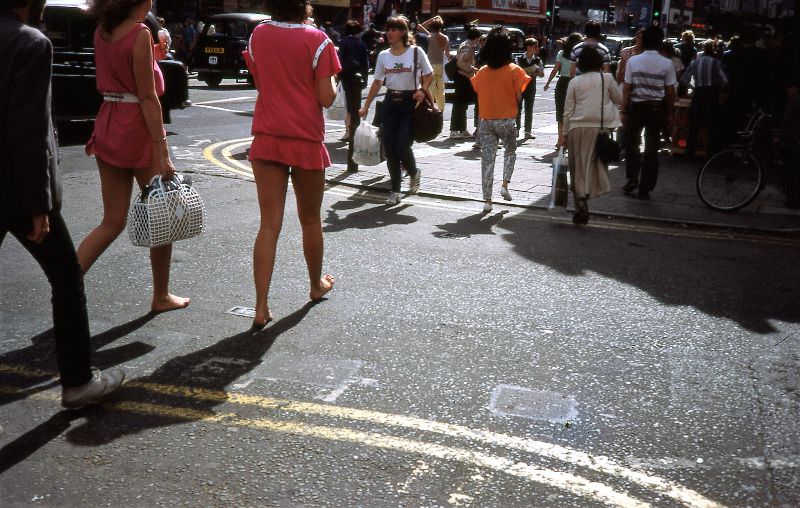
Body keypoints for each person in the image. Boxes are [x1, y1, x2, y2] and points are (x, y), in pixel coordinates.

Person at [1, 0, 124, 408]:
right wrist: (38, 203)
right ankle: (77, 381)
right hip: (19, 189)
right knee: (67, 278)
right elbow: (29, 129)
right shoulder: (30, 43)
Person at [79, 0, 190, 313]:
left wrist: (153, 58)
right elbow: (147, 96)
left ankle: (66, 283)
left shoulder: (103, 30)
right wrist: (162, 149)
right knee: (163, 214)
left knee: (111, 221)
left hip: (109, 121)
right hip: (137, 129)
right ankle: (161, 295)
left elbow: (119, 68)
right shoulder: (140, 33)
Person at [243, 0, 340, 329]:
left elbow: (260, 83)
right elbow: (327, 97)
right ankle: (315, 285)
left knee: (268, 225)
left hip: (268, 135)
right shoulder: (319, 40)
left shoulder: (258, 35)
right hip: (306, 139)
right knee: (310, 220)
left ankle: (260, 305)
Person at [359, 16, 433, 206]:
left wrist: (421, 91)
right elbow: (377, 82)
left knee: (401, 145)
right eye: (388, 29)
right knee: (390, 148)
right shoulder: (384, 55)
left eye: (393, 29)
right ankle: (395, 191)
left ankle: (414, 172)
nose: (389, 33)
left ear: (402, 32)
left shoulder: (416, 52)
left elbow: (429, 74)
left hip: (410, 103)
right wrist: (366, 105)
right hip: (391, 102)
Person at [470, 27, 530, 214]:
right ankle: (505, 184)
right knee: (510, 152)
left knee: (487, 160)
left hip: (486, 120)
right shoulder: (515, 70)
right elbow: (519, 96)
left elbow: (478, 89)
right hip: (507, 120)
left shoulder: (482, 71)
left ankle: (487, 201)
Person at [560, 46, 622, 224]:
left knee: (577, 166)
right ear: (599, 62)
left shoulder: (574, 82)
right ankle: (584, 198)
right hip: (599, 129)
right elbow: (619, 100)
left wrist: (563, 135)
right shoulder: (607, 78)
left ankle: (580, 202)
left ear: (580, 64)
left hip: (576, 128)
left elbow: (567, 111)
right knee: (591, 166)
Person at [621, 25, 676, 200]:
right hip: (656, 109)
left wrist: (623, 110)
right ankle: (646, 186)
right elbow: (670, 92)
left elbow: (627, 88)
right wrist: (670, 114)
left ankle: (631, 179)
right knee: (652, 148)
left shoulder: (633, 61)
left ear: (643, 41)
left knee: (632, 144)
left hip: (637, 108)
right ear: (660, 43)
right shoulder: (666, 63)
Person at [680, 39, 728, 159]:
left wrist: (693, 88)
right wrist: (719, 89)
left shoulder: (694, 62)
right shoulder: (717, 63)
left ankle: (689, 152)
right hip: (711, 95)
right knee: (711, 126)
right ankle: (710, 154)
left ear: (703, 49)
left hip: (698, 94)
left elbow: (684, 79)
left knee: (694, 125)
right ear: (714, 50)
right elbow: (725, 80)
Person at [543, 33, 582, 148]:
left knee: (560, 112)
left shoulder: (561, 53)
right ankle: (568, 139)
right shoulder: (579, 54)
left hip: (562, 83)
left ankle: (560, 139)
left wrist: (548, 82)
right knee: (572, 112)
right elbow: (575, 71)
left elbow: (555, 69)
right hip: (574, 83)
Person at [337, 18, 368, 150]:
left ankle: (349, 131)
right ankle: (354, 131)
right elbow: (365, 63)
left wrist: (338, 76)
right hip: (359, 78)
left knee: (348, 104)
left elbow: (339, 61)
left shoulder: (343, 43)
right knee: (356, 105)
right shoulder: (361, 44)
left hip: (346, 77)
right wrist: (365, 80)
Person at [448, 25, 481, 139]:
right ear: (475, 38)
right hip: (463, 78)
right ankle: (455, 130)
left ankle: (461, 129)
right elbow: (461, 62)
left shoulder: (465, 45)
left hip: (462, 77)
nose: (478, 42)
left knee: (462, 104)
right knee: (460, 104)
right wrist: (471, 70)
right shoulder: (467, 47)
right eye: (478, 39)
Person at [516, 37, 544, 139]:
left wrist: (537, 71)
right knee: (518, 109)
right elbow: (516, 72)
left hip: (531, 87)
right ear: (528, 47)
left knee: (529, 109)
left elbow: (542, 74)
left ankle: (527, 131)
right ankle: (516, 130)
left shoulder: (537, 60)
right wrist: (525, 71)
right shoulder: (519, 59)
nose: (536, 48)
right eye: (534, 46)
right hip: (520, 86)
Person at [420, 15, 450, 112]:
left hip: (430, 66)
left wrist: (431, 20)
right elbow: (448, 55)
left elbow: (419, 26)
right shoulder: (445, 38)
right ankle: (441, 110)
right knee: (440, 90)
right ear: (441, 27)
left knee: (429, 89)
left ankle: (429, 109)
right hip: (440, 66)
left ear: (432, 27)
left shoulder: (429, 37)